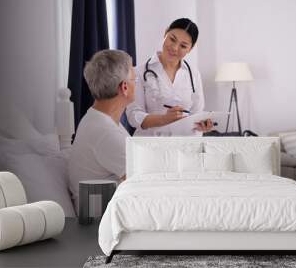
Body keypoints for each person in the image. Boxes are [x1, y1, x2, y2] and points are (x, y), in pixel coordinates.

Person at [68, 49, 135, 211]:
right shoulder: (106, 133)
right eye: (135, 79)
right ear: (124, 87)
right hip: (100, 222)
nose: (136, 84)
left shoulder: (97, 118)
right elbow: (145, 186)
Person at [126, 18, 213, 136]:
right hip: (151, 146)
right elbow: (133, 115)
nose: (175, 48)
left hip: (185, 147)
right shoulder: (139, 72)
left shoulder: (193, 74)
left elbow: (197, 113)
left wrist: (202, 125)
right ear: (165, 33)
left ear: (190, 49)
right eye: (172, 39)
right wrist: (163, 119)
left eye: (183, 46)